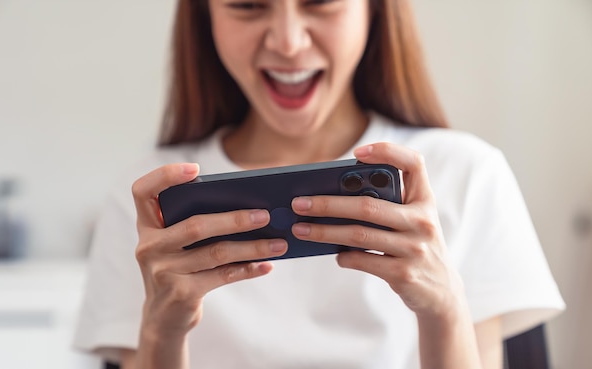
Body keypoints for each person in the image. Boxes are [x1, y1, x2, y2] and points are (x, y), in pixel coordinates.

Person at [73, 1, 565, 368]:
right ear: (205, 18)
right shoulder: (147, 196)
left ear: (373, 11)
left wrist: (444, 311)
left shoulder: (465, 173)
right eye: (247, 5)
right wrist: (162, 330)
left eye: (320, 2)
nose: (287, 41)